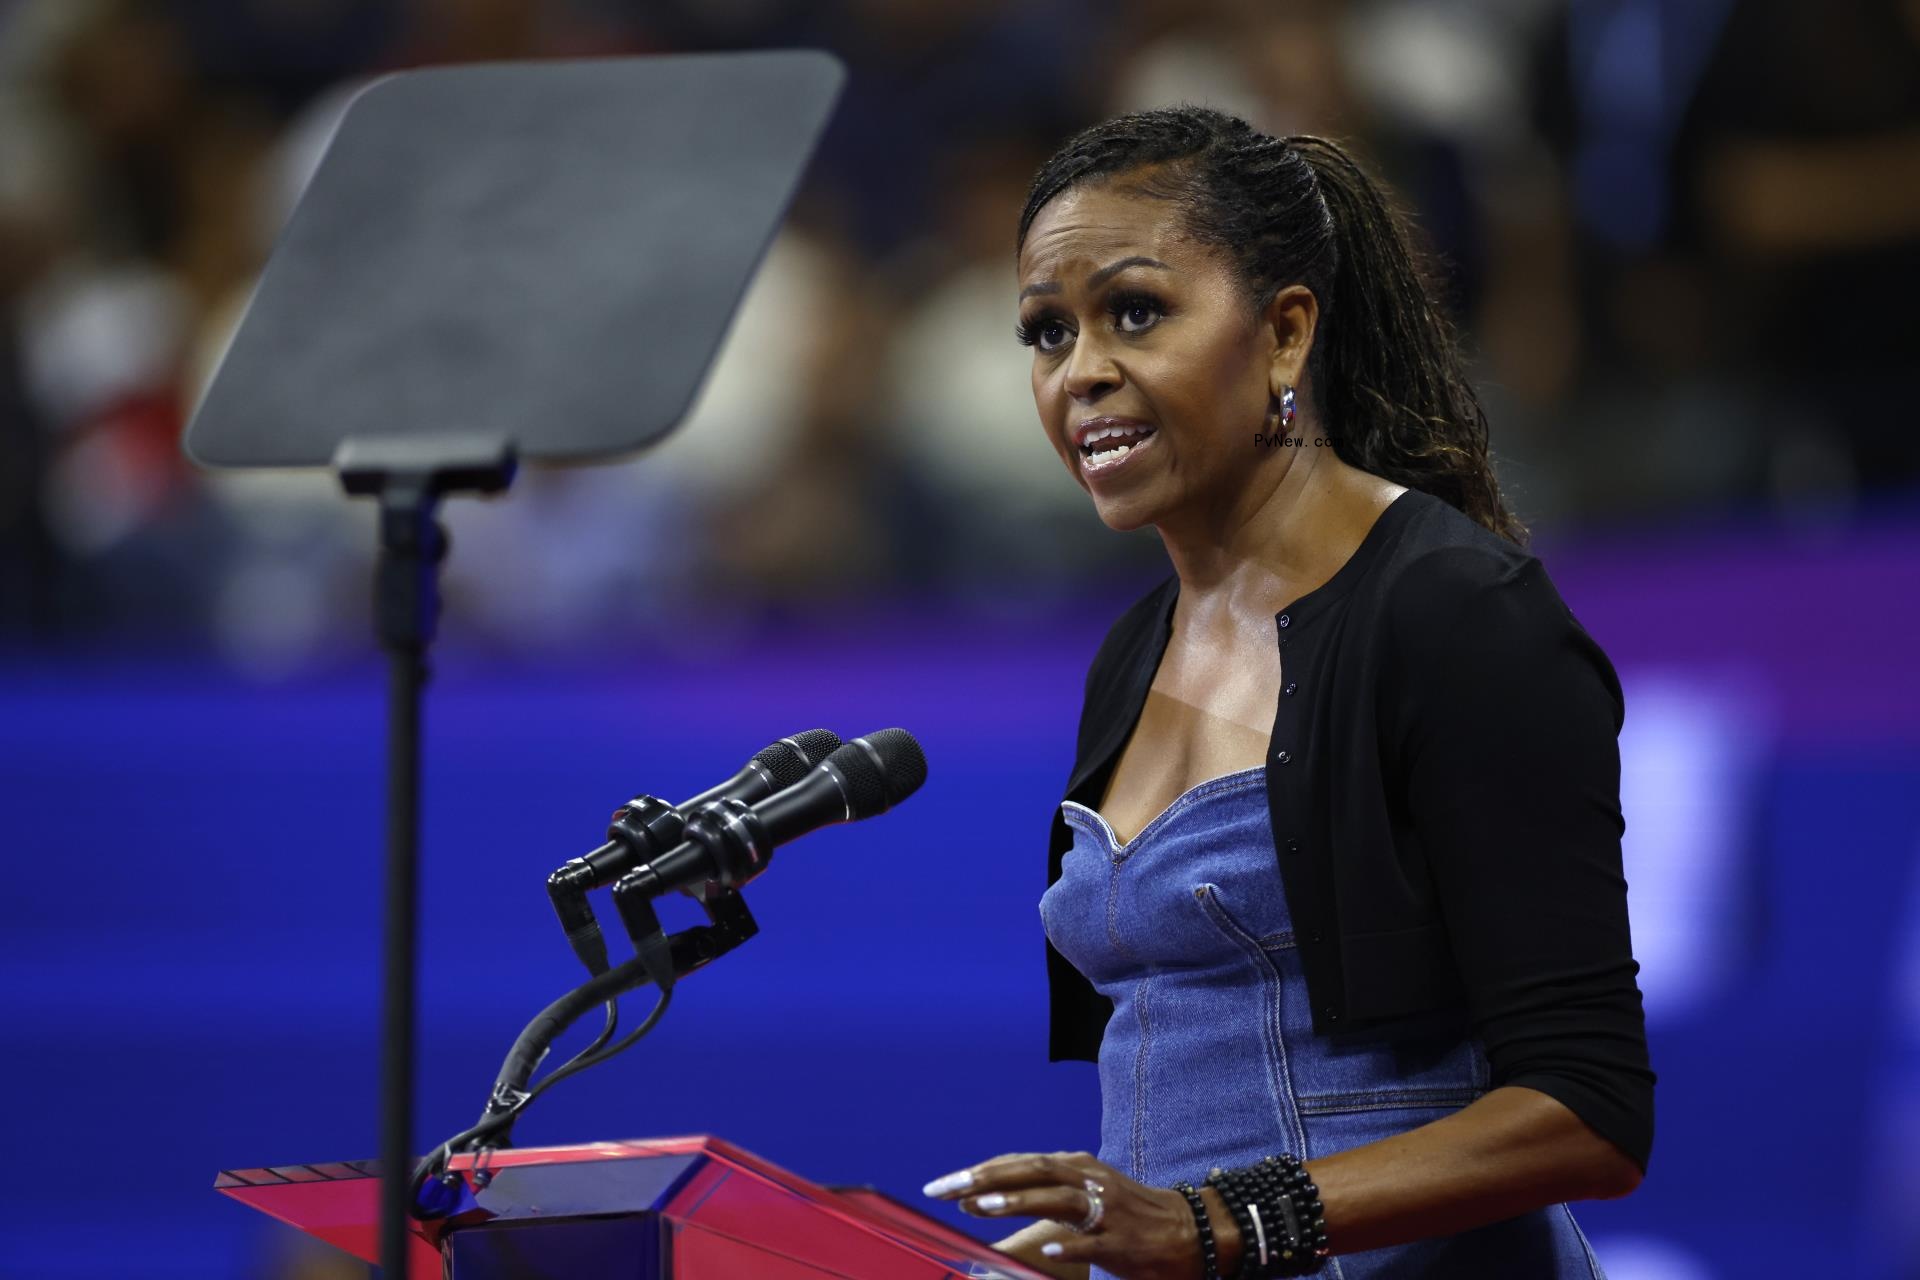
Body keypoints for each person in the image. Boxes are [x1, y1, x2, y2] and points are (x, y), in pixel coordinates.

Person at [921, 107, 1654, 1279]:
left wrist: (1216, 1220)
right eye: (1047, 332)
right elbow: (1180, 1113)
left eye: (1135, 312)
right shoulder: (1133, 649)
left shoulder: (1456, 613)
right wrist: (1097, 1247)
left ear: (1284, 331)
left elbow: (1589, 1107)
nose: (1080, 372)